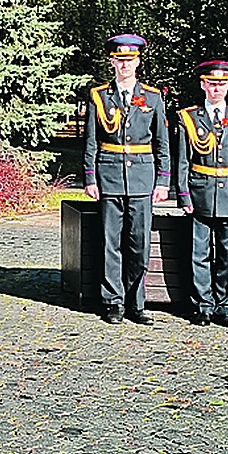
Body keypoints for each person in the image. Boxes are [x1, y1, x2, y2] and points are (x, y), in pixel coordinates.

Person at [83, 34, 170, 324]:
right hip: (109, 176)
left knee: (139, 243)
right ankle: (112, 302)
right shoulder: (99, 96)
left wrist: (162, 181)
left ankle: (137, 302)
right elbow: (91, 142)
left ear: (138, 62)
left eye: (130, 60)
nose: (125, 66)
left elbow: (162, 142)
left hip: (143, 178)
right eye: (120, 60)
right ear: (112, 62)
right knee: (110, 242)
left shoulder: (153, 97)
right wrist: (90, 178)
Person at [175, 60, 228, 328]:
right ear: (202, 84)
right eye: (211, 83)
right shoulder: (189, 118)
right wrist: (184, 195)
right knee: (198, 253)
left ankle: (224, 306)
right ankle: (203, 306)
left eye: (222, 84)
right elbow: (183, 161)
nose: (216, 89)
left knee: (226, 254)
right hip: (200, 194)